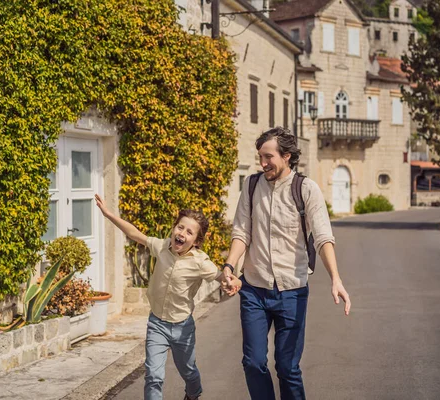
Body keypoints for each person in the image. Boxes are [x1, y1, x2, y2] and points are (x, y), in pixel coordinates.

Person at [221, 127, 351, 400]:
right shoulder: (252, 185)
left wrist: (335, 278)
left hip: (292, 290)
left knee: (287, 366)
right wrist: (230, 268)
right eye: (260, 157)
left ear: (287, 156)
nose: (263, 163)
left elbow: (323, 237)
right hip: (254, 288)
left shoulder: (306, 189)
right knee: (254, 362)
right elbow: (241, 231)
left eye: (268, 157)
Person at [95, 194, 242, 400]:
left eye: (189, 232)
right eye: (180, 227)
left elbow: (222, 277)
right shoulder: (162, 246)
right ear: (174, 229)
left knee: (188, 371)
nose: (182, 233)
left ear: (196, 241)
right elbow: (135, 234)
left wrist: (233, 282)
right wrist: (108, 214)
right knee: (154, 375)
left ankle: (193, 394)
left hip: (183, 328)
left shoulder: (201, 262)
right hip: (157, 324)